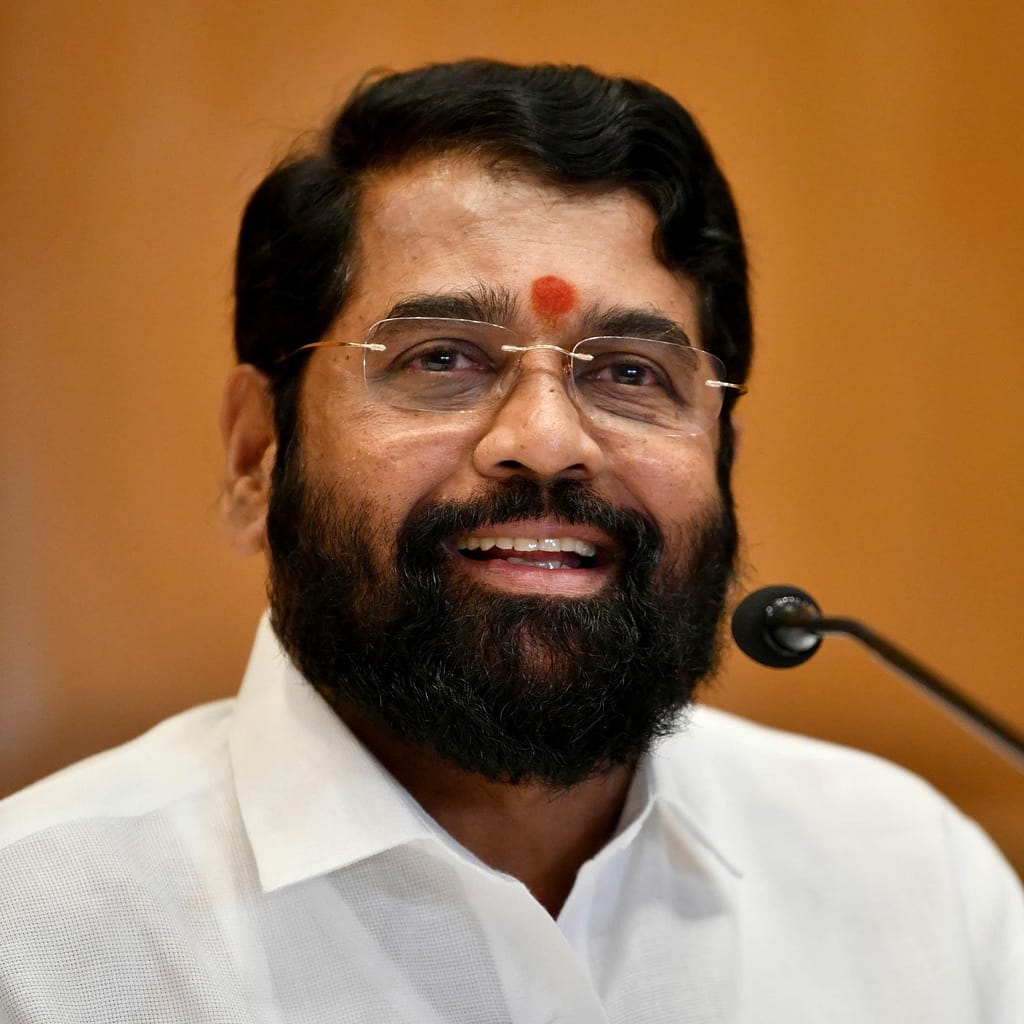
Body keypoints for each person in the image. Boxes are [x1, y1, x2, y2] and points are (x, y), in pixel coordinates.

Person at [0, 59, 1020, 1024]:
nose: (543, 442)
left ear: (722, 459)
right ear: (256, 452)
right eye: (441, 357)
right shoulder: (37, 939)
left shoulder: (915, 883)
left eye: (629, 373)